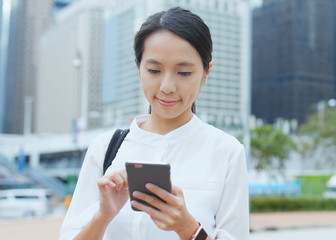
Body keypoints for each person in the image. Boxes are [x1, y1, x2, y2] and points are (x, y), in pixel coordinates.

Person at [60, 7, 249, 240]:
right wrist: (103, 215)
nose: (167, 86)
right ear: (139, 68)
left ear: (206, 72)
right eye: (154, 70)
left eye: (184, 72)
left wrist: (188, 228)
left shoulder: (227, 152)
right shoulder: (105, 148)